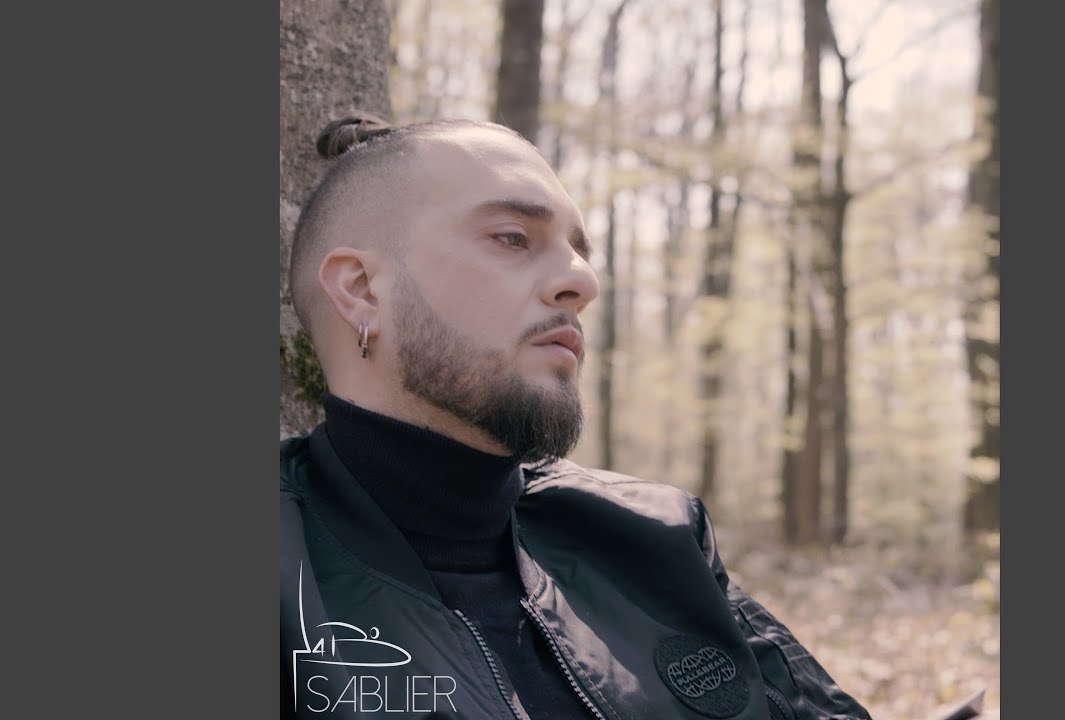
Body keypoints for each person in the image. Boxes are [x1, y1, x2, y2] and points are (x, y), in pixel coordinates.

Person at [280, 113, 874, 720]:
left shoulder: (658, 536)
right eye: (514, 238)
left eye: (578, 252)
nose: (583, 281)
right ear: (362, 290)